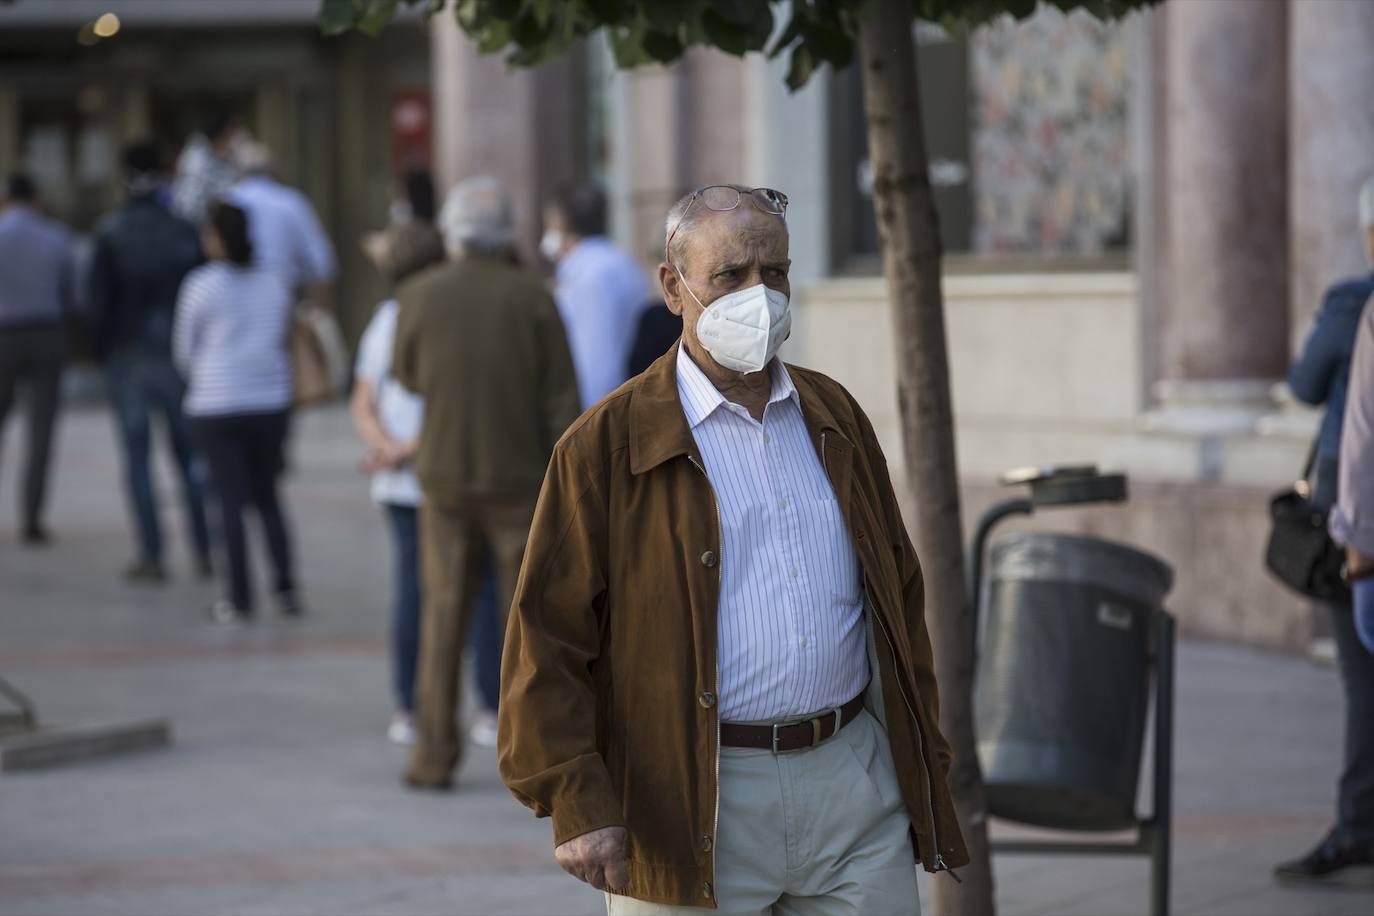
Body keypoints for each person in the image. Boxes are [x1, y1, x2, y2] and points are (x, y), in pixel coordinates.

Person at [498, 184, 968, 913]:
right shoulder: (605, 446)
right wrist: (576, 798)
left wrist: (920, 756)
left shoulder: (833, 414)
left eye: (774, 272)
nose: (760, 294)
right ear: (673, 288)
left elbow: (898, 596)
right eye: (730, 276)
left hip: (850, 781)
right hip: (684, 798)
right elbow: (546, 635)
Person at [392, 176, 579, 790]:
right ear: (507, 235)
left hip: (443, 479)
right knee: (527, 622)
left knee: (442, 619)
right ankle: (536, 758)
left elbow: (408, 376)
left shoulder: (417, 295)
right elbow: (562, 400)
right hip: (519, 481)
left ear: (452, 231)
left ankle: (432, 757)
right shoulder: (534, 297)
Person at [1288, 174, 1374, 885]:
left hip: (1361, 529)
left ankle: (1356, 826)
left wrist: (1357, 541)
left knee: (1359, 676)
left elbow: (1307, 385)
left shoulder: (1357, 302)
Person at [87, 143, 212, 583]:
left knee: (138, 461)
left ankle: (153, 553)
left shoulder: (111, 231)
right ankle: (205, 548)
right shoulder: (184, 230)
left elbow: (97, 306)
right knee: (191, 458)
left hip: (129, 356)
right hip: (178, 357)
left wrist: (102, 354)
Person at [173, 202, 299, 624]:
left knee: (228, 500)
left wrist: (207, 375)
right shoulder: (274, 282)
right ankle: (285, 589)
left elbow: (184, 350)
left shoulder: (200, 285)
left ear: (217, 237)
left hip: (216, 403)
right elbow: (282, 337)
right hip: (269, 401)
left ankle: (239, 597)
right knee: (268, 497)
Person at [352, 221, 448, 745]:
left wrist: (385, 445)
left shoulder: (385, 319)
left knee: (411, 588)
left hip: (399, 477)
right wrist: (406, 448)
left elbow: (362, 398)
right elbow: (455, 404)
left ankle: (409, 706)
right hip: (437, 471)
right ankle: (484, 704)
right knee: (472, 590)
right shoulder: (447, 317)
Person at [0, 174, 73, 546]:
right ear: (36, 199)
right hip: (47, 334)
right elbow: (70, 291)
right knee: (41, 432)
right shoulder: (56, 235)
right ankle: (31, 518)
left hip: (3, 336)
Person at [540, 184, 650, 409]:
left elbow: (596, 361)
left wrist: (588, 426)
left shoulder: (592, 274)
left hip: (602, 409)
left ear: (560, 224)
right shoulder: (616, 262)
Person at [227, 142, 337, 310]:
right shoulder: (292, 202)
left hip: (230, 305)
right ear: (273, 170)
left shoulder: (227, 200)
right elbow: (323, 265)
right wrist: (315, 313)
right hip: (283, 307)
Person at [172, 109, 245, 225]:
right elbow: (188, 207)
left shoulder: (225, 156)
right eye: (234, 132)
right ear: (225, 132)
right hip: (194, 228)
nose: (237, 138)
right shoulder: (196, 159)